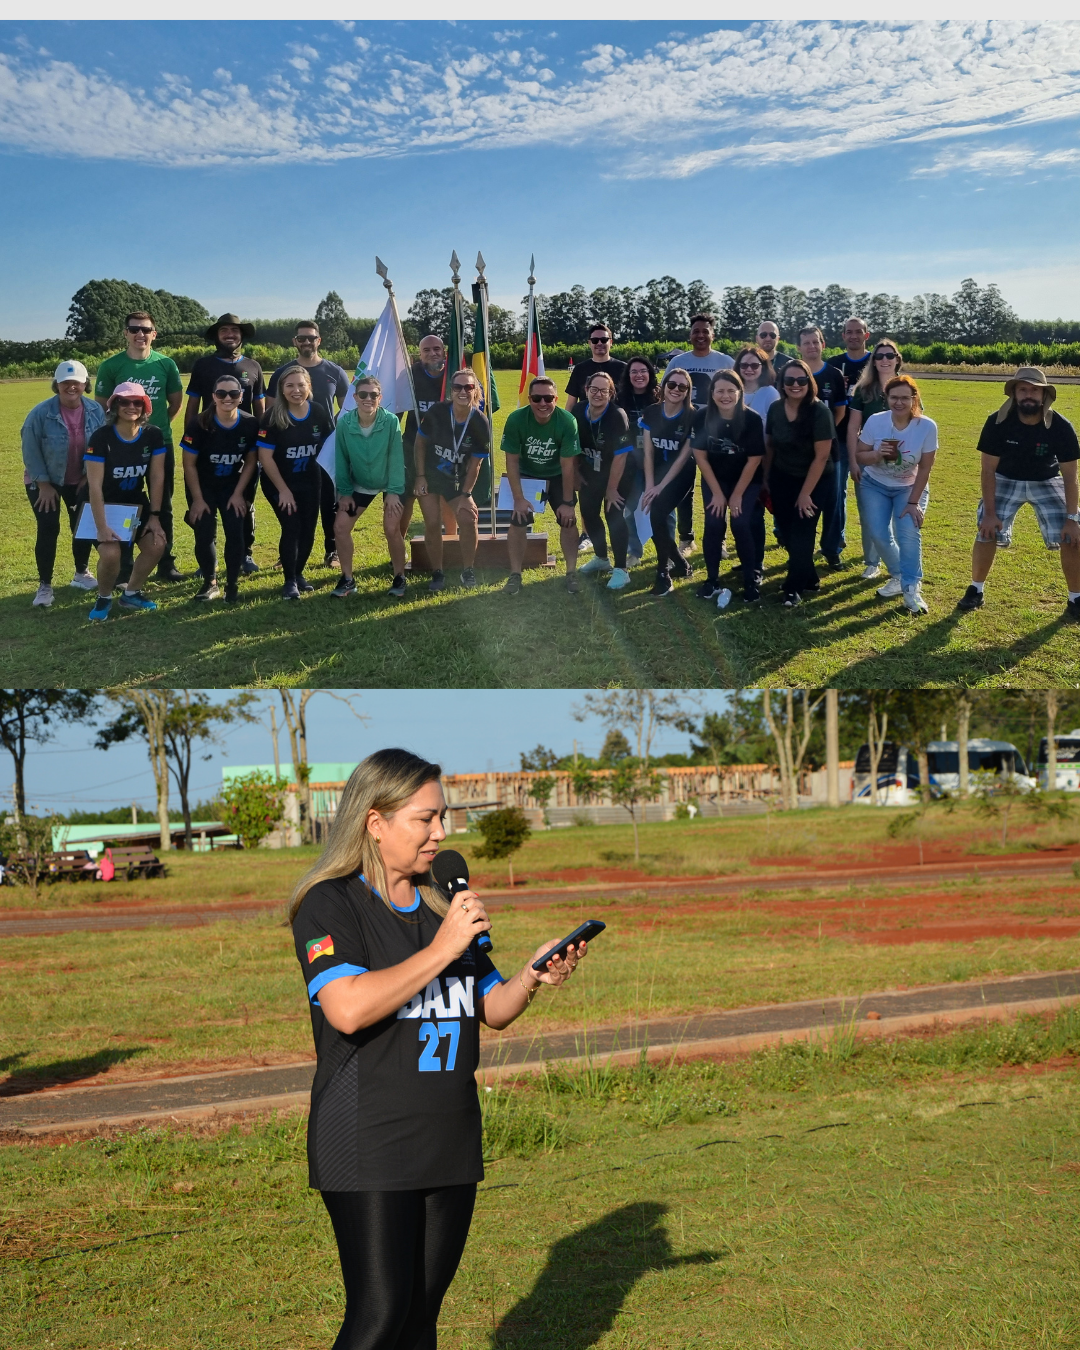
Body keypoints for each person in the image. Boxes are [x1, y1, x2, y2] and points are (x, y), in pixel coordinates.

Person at [288, 749, 586, 1350]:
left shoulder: (442, 906)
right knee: (380, 1316)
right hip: (368, 1139)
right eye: (425, 819)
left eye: (442, 817)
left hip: (447, 1137)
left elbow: (491, 1007)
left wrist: (531, 974)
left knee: (421, 1317)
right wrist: (443, 949)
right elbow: (347, 1008)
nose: (441, 833)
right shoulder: (330, 903)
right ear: (375, 823)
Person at [957, 367, 1080, 620]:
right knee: (986, 530)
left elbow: (1070, 476)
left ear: (1044, 395)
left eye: (1035, 390)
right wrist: (989, 514)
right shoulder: (997, 422)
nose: (1028, 395)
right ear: (1014, 393)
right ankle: (976, 589)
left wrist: (1072, 518)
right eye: (1023, 389)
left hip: (1046, 480)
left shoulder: (1060, 426)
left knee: (1073, 536)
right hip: (1005, 478)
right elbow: (988, 470)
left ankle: (1075, 598)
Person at [94, 312, 184, 581]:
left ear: (154, 334)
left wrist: (150, 432)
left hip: (160, 444)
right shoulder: (111, 366)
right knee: (122, 500)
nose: (140, 334)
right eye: (134, 329)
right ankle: (124, 564)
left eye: (145, 330)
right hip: (120, 445)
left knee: (162, 503)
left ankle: (165, 561)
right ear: (125, 333)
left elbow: (175, 403)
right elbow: (102, 407)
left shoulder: (166, 364)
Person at [267, 321, 350, 570]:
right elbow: (271, 411)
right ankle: (289, 552)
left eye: (311, 338)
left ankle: (332, 550)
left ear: (318, 340)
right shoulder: (283, 372)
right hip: (289, 453)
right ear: (295, 341)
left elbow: (347, 410)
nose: (306, 342)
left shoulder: (335, 371)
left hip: (324, 449)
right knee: (291, 506)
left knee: (328, 502)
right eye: (301, 338)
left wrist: (331, 431)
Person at [20, 360, 104, 607]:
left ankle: (81, 573)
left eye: (76, 382)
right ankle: (45, 585)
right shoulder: (40, 414)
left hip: (81, 479)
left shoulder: (95, 411)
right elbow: (30, 451)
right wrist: (44, 485)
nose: (71, 387)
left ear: (85, 384)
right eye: (65, 382)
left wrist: (88, 477)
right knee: (48, 528)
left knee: (82, 526)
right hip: (45, 481)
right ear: (57, 385)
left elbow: (101, 445)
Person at [83, 382, 168, 621]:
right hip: (103, 506)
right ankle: (104, 597)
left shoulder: (153, 434)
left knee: (156, 544)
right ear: (114, 406)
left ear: (144, 406)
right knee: (111, 555)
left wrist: (155, 516)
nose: (131, 406)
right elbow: (94, 487)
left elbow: (157, 477)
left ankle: (131, 593)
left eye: (137, 402)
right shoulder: (101, 437)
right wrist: (101, 526)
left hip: (135, 506)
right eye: (124, 401)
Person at [855, 375, 938, 615]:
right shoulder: (876, 421)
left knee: (908, 533)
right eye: (894, 397)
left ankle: (911, 589)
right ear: (887, 398)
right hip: (875, 484)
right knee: (878, 534)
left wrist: (913, 502)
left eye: (904, 398)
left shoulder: (926, 426)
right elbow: (860, 455)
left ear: (914, 399)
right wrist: (876, 454)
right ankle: (899, 575)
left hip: (909, 487)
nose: (899, 402)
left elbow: (925, 468)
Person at [180, 373, 259, 603]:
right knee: (204, 533)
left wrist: (239, 494)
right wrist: (197, 499)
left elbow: (251, 462)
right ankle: (210, 583)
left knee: (235, 532)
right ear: (213, 396)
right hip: (202, 486)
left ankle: (232, 585)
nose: (227, 398)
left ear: (241, 397)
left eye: (233, 393)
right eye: (221, 393)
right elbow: (189, 464)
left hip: (232, 486)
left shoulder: (250, 423)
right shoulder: (199, 423)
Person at [690, 370, 766, 606]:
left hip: (746, 480)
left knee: (740, 522)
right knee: (714, 522)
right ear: (712, 393)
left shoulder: (752, 419)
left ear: (740, 392)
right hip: (716, 479)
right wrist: (717, 493)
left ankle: (751, 578)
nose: (725, 396)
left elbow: (754, 460)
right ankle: (712, 579)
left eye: (731, 391)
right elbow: (700, 456)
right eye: (720, 391)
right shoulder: (702, 417)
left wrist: (736, 495)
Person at [763, 359, 835, 606]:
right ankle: (810, 578)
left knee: (803, 530)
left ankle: (793, 587)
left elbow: (822, 456)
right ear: (782, 383)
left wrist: (805, 494)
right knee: (786, 530)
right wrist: (766, 478)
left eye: (801, 380)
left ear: (809, 382)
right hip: (782, 475)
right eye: (790, 380)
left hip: (816, 479)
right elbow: (770, 446)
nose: (796, 384)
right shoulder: (775, 408)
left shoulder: (820, 412)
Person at [501, 376, 582, 595]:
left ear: (556, 399)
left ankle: (571, 572)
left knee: (568, 521)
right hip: (527, 473)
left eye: (548, 398)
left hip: (557, 474)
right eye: (537, 398)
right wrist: (518, 499)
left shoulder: (567, 421)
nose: (543, 403)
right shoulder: (516, 419)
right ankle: (515, 575)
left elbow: (567, 465)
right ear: (529, 399)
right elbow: (512, 461)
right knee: (518, 520)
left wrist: (567, 502)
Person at [330, 375, 408, 601]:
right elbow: (341, 459)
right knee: (340, 527)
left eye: (373, 395)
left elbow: (396, 457)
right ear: (355, 397)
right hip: (360, 483)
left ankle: (400, 577)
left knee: (391, 528)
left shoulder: (390, 421)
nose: (368, 398)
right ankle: (347, 579)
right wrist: (345, 493)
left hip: (390, 482)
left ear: (380, 398)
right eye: (363, 394)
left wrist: (393, 492)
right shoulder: (344, 423)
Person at [257, 367, 332, 600]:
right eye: (290, 385)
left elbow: (329, 446)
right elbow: (265, 457)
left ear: (309, 387)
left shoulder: (318, 411)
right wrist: (283, 491)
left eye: (301, 385)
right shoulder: (272, 417)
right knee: (292, 527)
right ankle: (289, 581)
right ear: (282, 389)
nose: (296, 390)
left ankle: (298, 574)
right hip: (279, 484)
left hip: (310, 481)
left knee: (308, 529)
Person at [413, 369, 490, 592]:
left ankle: (468, 570)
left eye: (468, 387)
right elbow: (419, 443)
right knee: (432, 523)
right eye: (458, 387)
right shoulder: (437, 411)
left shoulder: (480, 421)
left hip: (457, 481)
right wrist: (420, 476)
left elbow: (475, 464)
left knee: (468, 519)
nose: (462, 391)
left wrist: (466, 495)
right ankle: (437, 572)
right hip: (430, 476)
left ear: (475, 391)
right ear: (451, 390)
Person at [664, 314, 733, 556]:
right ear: (690, 334)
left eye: (705, 331)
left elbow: (738, 394)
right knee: (684, 487)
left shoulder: (725, 361)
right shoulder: (678, 361)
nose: (700, 335)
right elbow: (665, 392)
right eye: (696, 331)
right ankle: (686, 539)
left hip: (716, 432)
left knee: (716, 486)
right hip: (683, 431)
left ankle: (719, 539)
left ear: (713, 334)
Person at [846, 341, 904, 579]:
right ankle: (872, 562)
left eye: (889, 355)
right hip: (868, 459)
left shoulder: (907, 386)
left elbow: (918, 422)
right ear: (873, 360)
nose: (884, 360)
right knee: (870, 514)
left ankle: (899, 563)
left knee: (899, 515)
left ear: (897, 359)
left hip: (900, 460)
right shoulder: (863, 390)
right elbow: (852, 428)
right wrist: (853, 462)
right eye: (879, 356)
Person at [572, 371, 634, 590]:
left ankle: (621, 570)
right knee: (588, 513)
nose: (598, 394)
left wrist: (612, 488)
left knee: (613, 515)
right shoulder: (578, 410)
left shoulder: (617, 416)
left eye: (604, 391)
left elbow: (621, 456)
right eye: (594, 389)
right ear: (586, 390)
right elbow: (572, 445)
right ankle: (601, 558)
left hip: (618, 474)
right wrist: (575, 472)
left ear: (611, 393)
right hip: (590, 472)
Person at [640, 369, 697, 597]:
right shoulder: (651, 412)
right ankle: (681, 564)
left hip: (680, 475)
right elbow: (648, 453)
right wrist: (649, 486)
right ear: (663, 386)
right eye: (672, 384)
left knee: (657, 514)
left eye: (682, 387)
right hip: (656, 472)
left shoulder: (692, 415)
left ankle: (663, 573)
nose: (676, 390)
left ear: (688, 391)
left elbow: (683, 458)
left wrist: (660, 487)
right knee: (655, 517)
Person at [796, 326, 849, 567]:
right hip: (799, 451)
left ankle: (831, 548)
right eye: (806, 343)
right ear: (799, 347)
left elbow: (840, 411)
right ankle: (798, 547)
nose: (811, 346)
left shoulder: (834, 374)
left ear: (823, 345)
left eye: (815, 342)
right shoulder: (793, 373)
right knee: (801, 496)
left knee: (833, 501)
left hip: (830, 451)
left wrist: (823, 436)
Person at [402, 335, 451, 562]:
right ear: (419, 354)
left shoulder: (453, 375)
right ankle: (398, 548)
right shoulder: (409, 376)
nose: (432, 353)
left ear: (444, 351)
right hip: (413, 445)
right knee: (407, 498)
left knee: (447, 496)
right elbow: (395, 413)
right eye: (427, 350)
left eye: (437, 349)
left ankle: (451, 543)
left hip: (445, 449)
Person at [616, 356, 660, 567]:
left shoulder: (660, 397)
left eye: (643, 371)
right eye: (634, 371)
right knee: (630, 509)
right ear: (628, 375)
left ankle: (667, 553)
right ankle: (634, 552)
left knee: (663, 511)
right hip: (629, 463)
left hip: (657, 462)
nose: (639, 375)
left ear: (650, 374)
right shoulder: (620, 399)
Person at [563, 323, 627, 414]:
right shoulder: (580, 369)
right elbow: (571, 403)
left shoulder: (624, 368)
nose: (599, 343)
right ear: (589, 343)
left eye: (604, 340)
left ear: (611, 342)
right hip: (586, 421)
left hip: (616, 420)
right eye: (595, 340)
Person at [827, 317, 872, 402]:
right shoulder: (833, 364)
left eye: (858, 332)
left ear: (866, 336)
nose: (854, 336)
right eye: (849, 332)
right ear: (843, 336)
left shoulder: (877, 361)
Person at [733, 346, 780, 420]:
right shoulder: (731, 391)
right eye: (744, 365)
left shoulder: (771, 393)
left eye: (754, 365)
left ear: (763, 367)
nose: (749, 369)